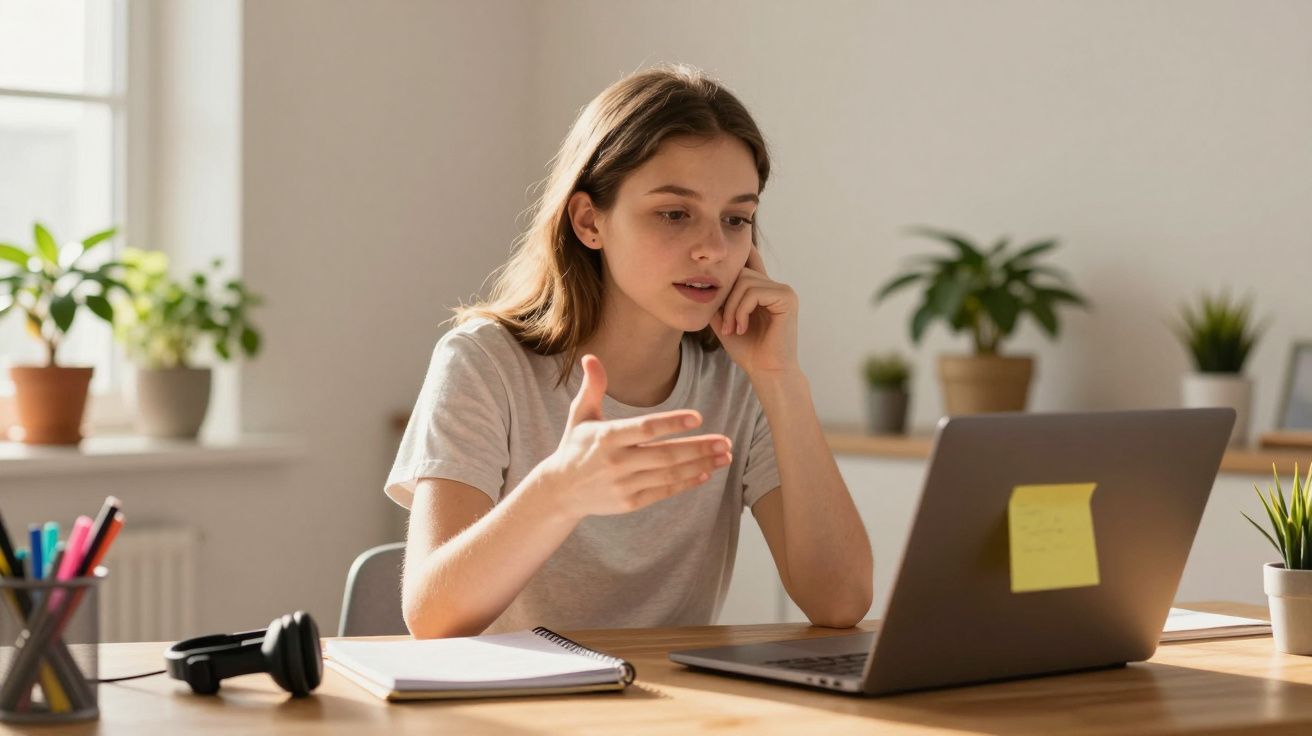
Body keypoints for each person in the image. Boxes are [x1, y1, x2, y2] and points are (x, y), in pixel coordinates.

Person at [387, 64, 872, 638]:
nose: (714, 249)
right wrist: (559, 491)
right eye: (674, 214)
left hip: (672, 693)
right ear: (589, 221)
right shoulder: (483, 363)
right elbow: (433, 618)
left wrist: (781, 377)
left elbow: (840, 602)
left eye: (736, 219)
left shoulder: (741, 381)